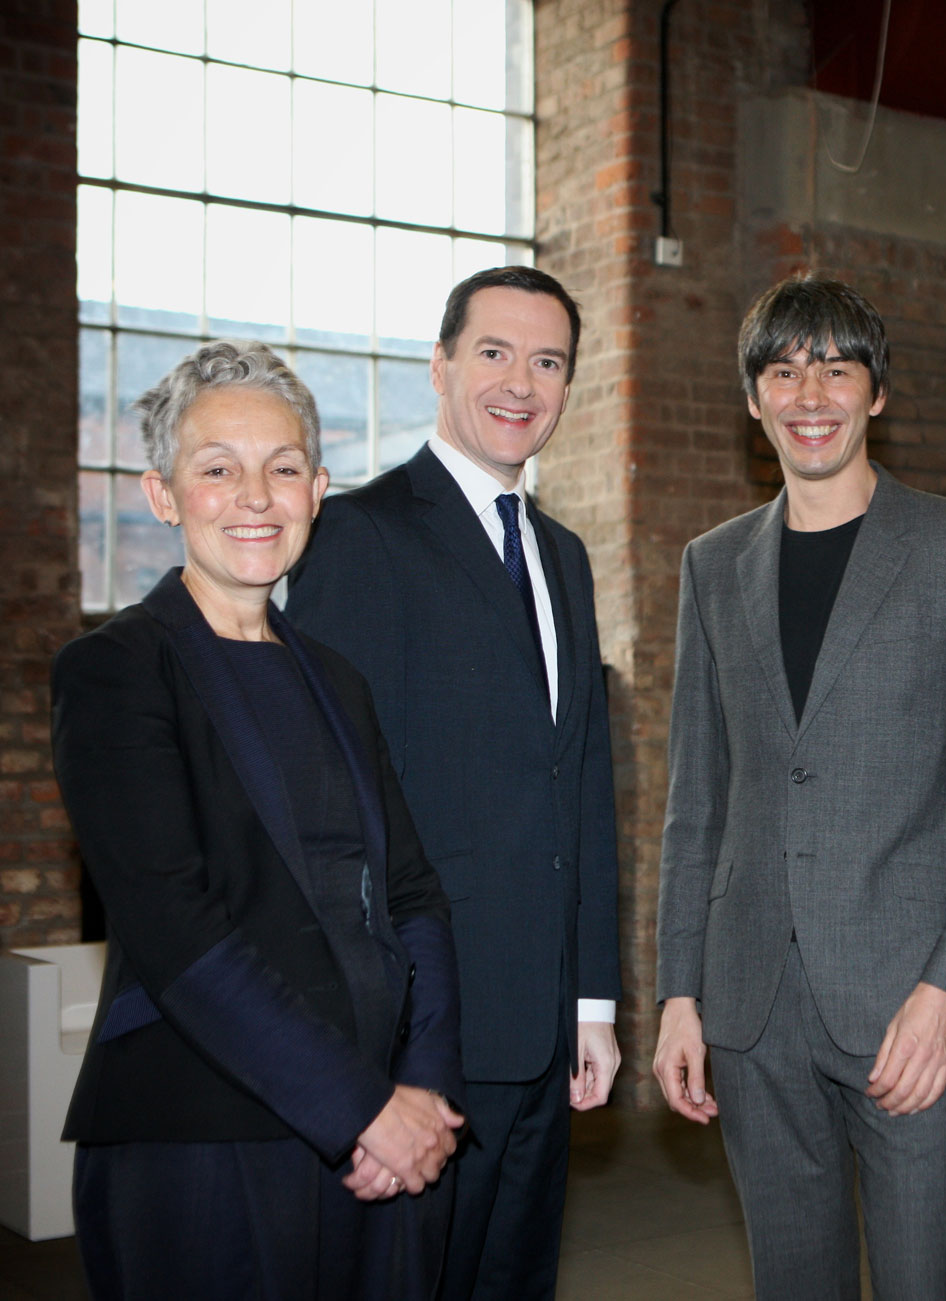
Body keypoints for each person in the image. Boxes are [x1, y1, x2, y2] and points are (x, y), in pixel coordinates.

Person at [51, 341, 467, 1299]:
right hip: (206, 1140)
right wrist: (360, 1106)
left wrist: (428, 1085)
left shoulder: (339, 679)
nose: (255, 495)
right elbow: (174, 930)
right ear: (163, 495)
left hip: (387, 1142)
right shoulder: (117, 670)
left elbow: (413, 895)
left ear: (317, 490)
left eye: (282, 468)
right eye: (217, 468)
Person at [652, 275, 946, 1299]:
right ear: (753, 399)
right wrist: (680, 991)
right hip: (751, 1007)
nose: (807, 391)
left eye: (835, 366)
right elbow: (698, 802)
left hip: (906, 1005)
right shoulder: (712, 565)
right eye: (782, 369)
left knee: (922, 1281)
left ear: (876, 393)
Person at [285, 267, 622, 1299]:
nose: (521, 382)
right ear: (439, 367)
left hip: (540, 1028)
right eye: (493, 353)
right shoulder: (361, 535)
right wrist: (360, 1046)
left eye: (549, 360)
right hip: (420, 1031)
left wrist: (594, 999)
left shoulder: (563, 555)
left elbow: (582, 791)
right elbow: (324, 804)